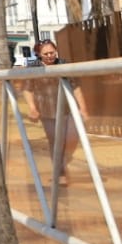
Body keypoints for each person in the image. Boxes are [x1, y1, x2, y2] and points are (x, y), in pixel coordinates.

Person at [24, 39, 90, 185]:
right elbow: (28, 90)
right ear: (39, 54)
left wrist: (83, 109)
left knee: (73, 137)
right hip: (47, 112)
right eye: (46, 53)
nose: (49, 56)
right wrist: (33, 108)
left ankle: (63, 161)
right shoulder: (34, 68)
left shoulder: (64, 65)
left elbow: (76, 88)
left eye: (52, 52)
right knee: (55, 142)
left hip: (68, 109)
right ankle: (60, 173)